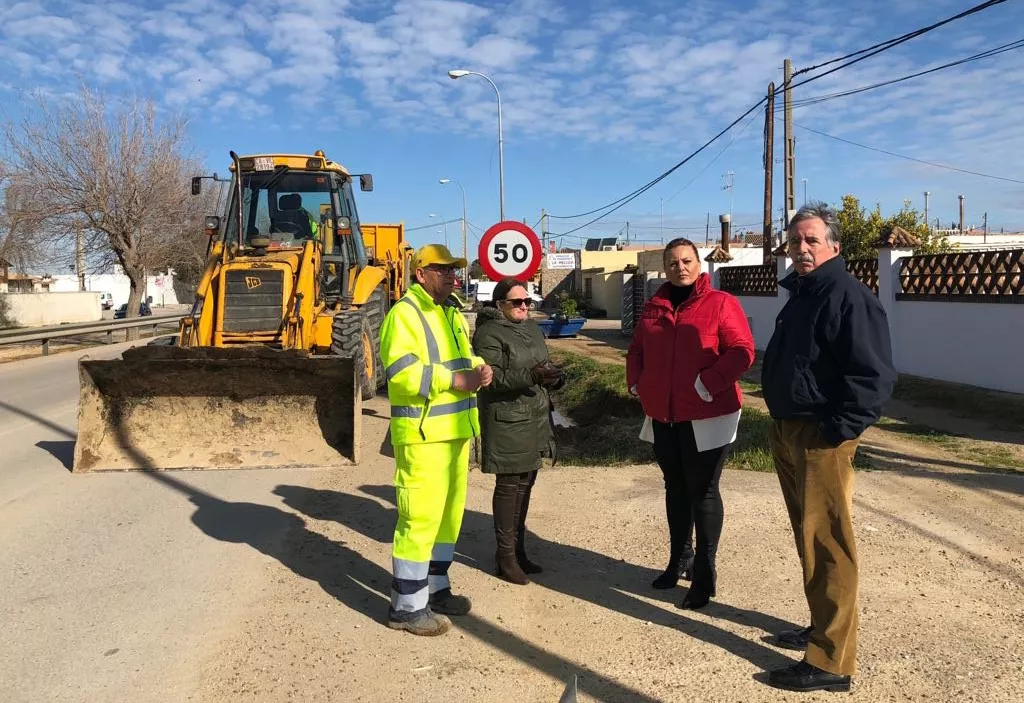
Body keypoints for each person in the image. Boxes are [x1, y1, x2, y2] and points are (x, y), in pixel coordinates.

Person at [762, 202, 896, 692]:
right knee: (809, 536)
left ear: (834, 247)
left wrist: (837, 430)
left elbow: (873, 375)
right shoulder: (803, 294)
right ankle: (822, 625)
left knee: (829, 543)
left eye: (811, 240)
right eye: (795, 240)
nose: (801, 248)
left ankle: (830, 662)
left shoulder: (848, 296)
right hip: (790, 429)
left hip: (821, 436)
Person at [626, 238, 754, 609]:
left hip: (708, 413)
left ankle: (704, 571)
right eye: (672, 263)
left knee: (703, 491)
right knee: (674, 487)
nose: (679, 267)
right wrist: (636, 380)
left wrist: (707, 383)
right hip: (664, 414)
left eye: (686, 261)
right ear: (664, 268)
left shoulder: (721, 304)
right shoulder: (653, 307)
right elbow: (637, 349)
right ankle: (678, 559)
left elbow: (742, 352)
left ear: (699, 264)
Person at [378, 244, 494, 636]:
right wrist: (455, 381)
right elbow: (402, 375)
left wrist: (480, 368)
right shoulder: (404, 315)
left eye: (453, 269)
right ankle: (407, 608)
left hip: (455, 434)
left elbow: (464, 359)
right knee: (419, 519)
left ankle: (436, 588)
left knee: (449, 518)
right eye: (441, 269)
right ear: (420, 273)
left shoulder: (452, 314)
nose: (450, 274)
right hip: (424, 436)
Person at [472, 277, 564, 585]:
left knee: (526, 483)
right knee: (510, 486)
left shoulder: (531, 330)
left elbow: (542, 364)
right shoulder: (488, 333)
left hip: (534, 418)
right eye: (517, 302)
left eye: (528, 302)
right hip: (508, 420)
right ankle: (505, 557)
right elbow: (492, 378)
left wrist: (554, 377)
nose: (524, 306)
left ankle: (517, 550)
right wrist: (533, 375)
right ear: (500, 305)